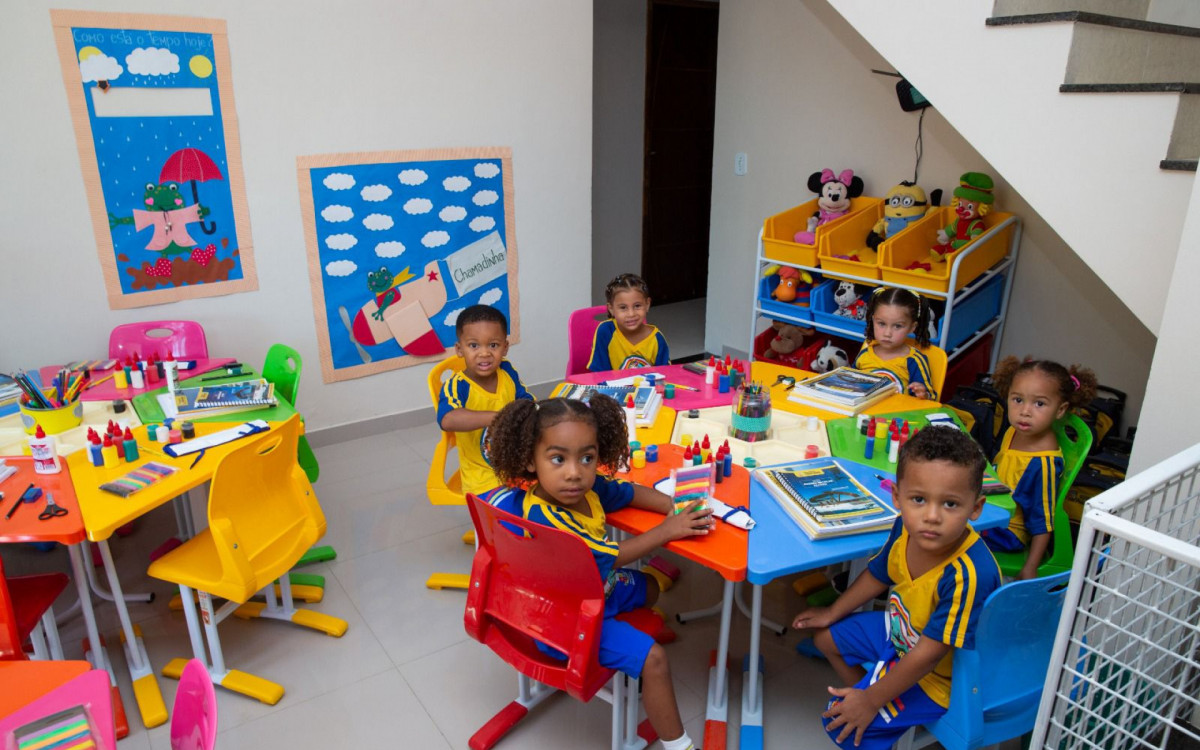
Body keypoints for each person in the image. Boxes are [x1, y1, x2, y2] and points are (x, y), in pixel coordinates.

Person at [486, 396, 711, 750]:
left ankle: (633, 639)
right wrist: (670, 529)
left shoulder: (583, 490)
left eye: (587, 458)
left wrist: (673, 505)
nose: (575, 472)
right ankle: (679, 745)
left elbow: (624, 492)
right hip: (566, 622)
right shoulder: (549, 518)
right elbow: (617, 554)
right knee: (654, 659)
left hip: (596, 588)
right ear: (530, 461)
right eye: (558, 459)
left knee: (651, 588)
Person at [793, 426, 1001, 749]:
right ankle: (867, 695)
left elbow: (930, 656)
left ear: (976, 508)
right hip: (898, 633)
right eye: (918, 499)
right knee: (825, 638)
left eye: (950, 504)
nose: (931, 516)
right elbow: (879, 573)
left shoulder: (970, 573)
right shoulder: (904, 525)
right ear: (897, 497)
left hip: (936, 677)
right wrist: (832, 612)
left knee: (843, 729)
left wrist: (872, 699)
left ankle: (872, 705)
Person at [982, 356, 1097, 579]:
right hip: (992, 507)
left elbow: (1043, 519)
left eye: (1039, 404)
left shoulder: (1042, 463)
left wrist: (1030, 567)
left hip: (1007, 532)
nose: (1025, 411)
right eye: (1017, 400)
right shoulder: (1014, 431)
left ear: (1061, 409)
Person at [436, 304, 533, 499]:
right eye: (474, 345)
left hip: (517, 463)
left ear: (505, 348)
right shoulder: (457, 385)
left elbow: (525, 400)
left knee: (557, 492)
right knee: (513, 514)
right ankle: (484, 530)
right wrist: (497, 417)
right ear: (459, 349)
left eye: (493, 345)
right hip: (483, 477)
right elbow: (448, 419)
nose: (484, 353)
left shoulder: (506, 371)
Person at [854, 287, 939, 400]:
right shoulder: (864, 355)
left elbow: (932, 398)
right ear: (873, 321)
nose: (887, 333)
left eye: (897, 326)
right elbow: (851, 386)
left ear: (912, 327)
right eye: (882, 324)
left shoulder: (914, 360)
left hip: (898, 416)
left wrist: (924, 394)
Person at [587, 273, 671, 371]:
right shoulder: (606, 331)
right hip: (612, 386)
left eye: (637, 306)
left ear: (647, 304)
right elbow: (599, 374)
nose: (631, 314)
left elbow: (666, 374)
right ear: (611, 309)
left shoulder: (657, 339)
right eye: (623, 307)